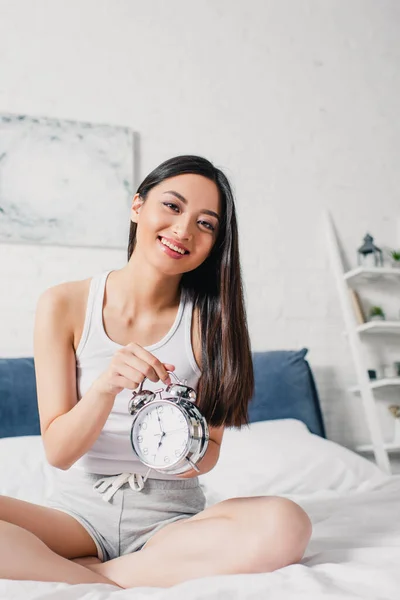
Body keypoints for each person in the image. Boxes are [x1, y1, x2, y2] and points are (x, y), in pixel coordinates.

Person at [0, 155, 312, 589]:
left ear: (216, 242)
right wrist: (106, 387)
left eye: (206, 224)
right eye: (172, 206)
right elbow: (58, 452)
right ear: (137, 207)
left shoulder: (214, 323)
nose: (183, 230)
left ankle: (90, 577)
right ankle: (114, 577)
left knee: (287, 522)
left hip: (173, 523)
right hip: (77, 516)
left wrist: (179, 435)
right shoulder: (63, 305)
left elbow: (210, 453)